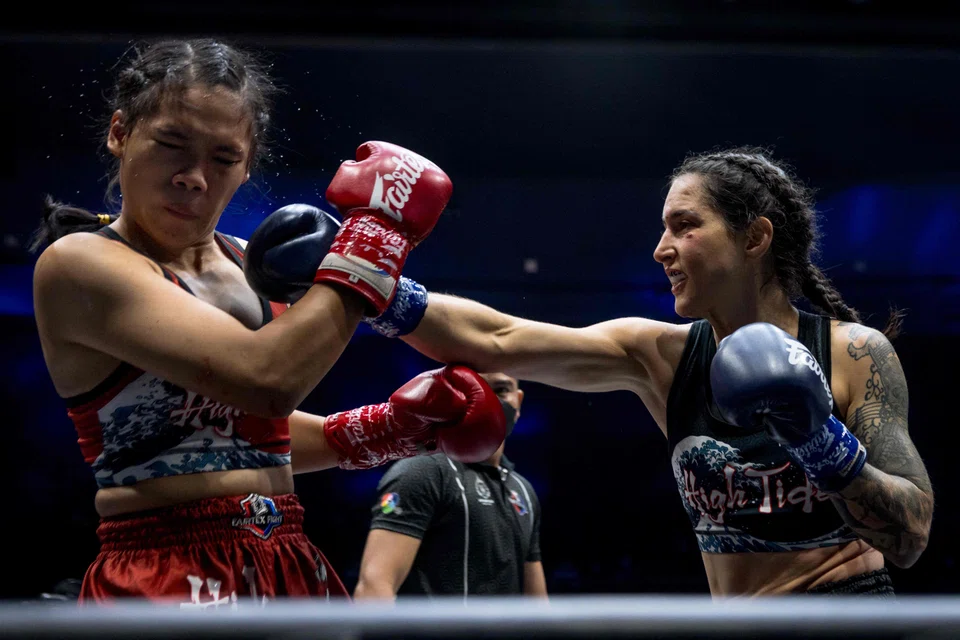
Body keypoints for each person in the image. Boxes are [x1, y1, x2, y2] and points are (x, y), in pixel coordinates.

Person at [261, 146, 934, 597]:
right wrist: (368, 276)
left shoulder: (854, 353)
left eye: (685, 226)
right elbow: (499, 337)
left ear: (754, 237)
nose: (661, 248)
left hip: (849, 615)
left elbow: (911, 536)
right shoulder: (662, 355)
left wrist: (822, 443)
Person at [29, 37, 505, 605]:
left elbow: (248, 432)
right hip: (164, 566)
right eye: (172, 143)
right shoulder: (79, 263)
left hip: (286, 549)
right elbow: (267, 382)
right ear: (120, 133)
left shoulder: (252, 262)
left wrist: (377, 430)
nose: (193, 176)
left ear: (247, 165)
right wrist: (374, 242)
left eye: (223, 158)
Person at [352, 373, 547, 600]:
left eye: (501, 390)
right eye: (477, 389)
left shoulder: (523, 490)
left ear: (518, 401)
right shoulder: (422, 472)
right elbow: (374, 587)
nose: (490, 401)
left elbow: (538, 606)